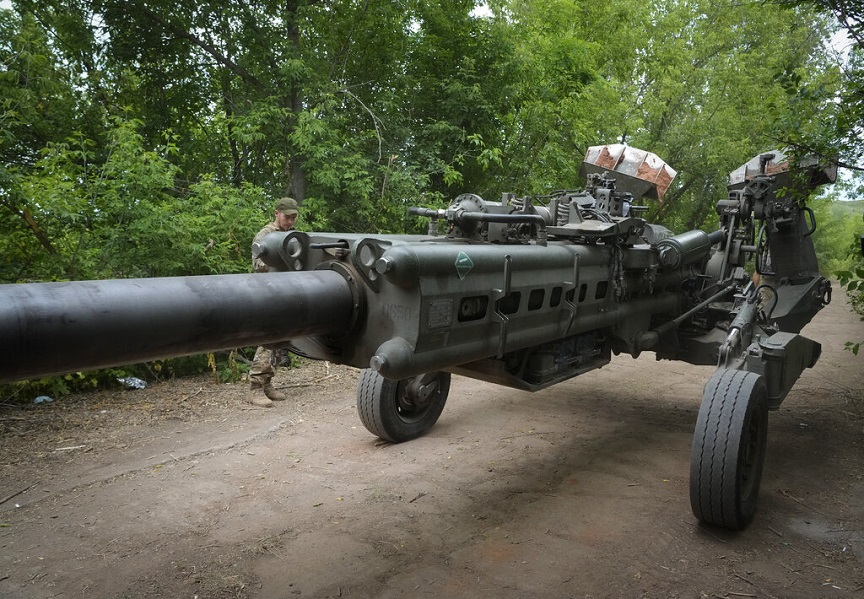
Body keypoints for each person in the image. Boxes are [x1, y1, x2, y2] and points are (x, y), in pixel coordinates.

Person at [247, 197, 299, 407]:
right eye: (287, 217)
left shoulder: (288, 235)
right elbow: (257, 263)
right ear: (277, 213)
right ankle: (255, 388)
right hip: (267, 293)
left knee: (279, 340)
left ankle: (267, 384)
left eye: (294, 218)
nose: (291, 222)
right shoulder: (266, 235)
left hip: (283, 292)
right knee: (267, 340)